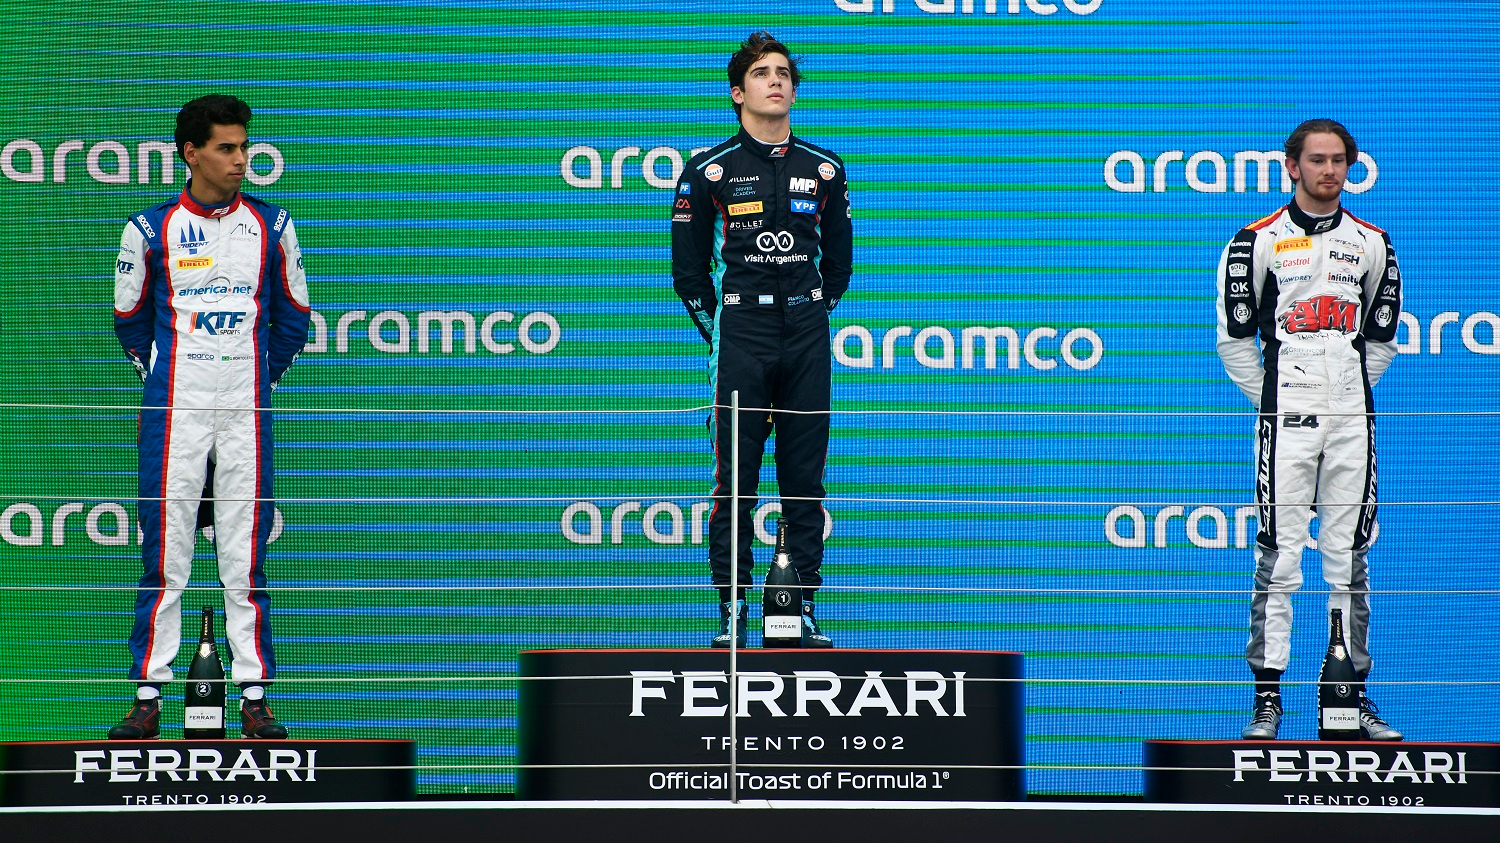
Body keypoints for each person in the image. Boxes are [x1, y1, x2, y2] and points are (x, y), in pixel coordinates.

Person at [108, 94, 310, 739]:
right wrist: (165, 378)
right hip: (176, 409)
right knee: (165, 555)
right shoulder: (149, 229)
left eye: (244, 147)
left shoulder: (273, 225)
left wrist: (257, 378)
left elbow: (294, 318)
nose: (241, 160)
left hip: (246, 408)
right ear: (191, 153)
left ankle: (254, 697)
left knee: (243, 559)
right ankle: (148, 697)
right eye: (227, 148)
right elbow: (129, 319)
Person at [1216, 119, 1403, 741]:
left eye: (1339, 161)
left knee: (1349, 558)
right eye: (1317, 160)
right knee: (1279, 555)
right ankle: (1267, 700)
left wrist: (1343, 396)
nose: (1330, 171)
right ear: (1292, 167)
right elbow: (1235, 342)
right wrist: (1278, 399)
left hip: (1352, 421)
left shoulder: (1373, 243)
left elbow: (1380, 341)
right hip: (1286, 420)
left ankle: (1348, 696)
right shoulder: (1255, 242)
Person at [672, 32, 853, 648]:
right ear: (737, 92)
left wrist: (809, 313)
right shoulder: (709, 169)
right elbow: (689, 274)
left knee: (804, 482)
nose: (775, 81)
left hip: (805, 335)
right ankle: (733, 610)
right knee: (736, 484)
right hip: (742, 335)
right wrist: (725, 331)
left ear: (794, 92)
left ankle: (799, 609)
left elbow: (839, 266)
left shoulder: (824, 168)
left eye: (783, 74)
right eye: (761, 73)